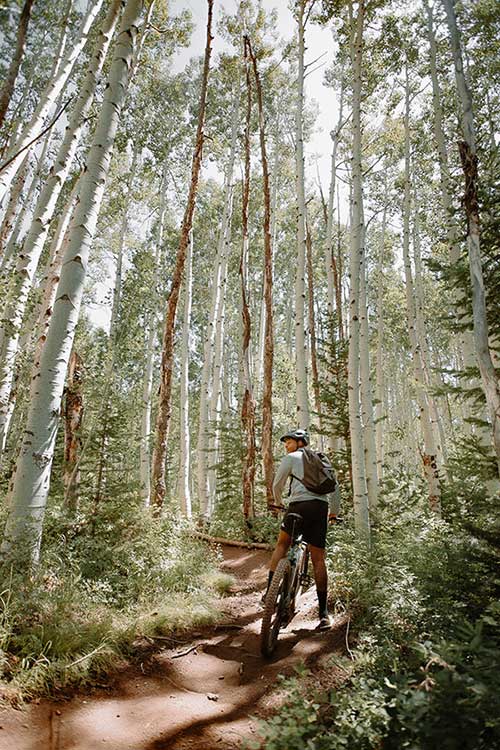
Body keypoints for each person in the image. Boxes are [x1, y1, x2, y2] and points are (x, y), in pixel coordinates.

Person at [262, 428, 340, 631]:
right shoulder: (322, 460)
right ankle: (324, 615)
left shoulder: (291, 458)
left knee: (282, 544)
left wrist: (278, 503)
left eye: (288, 442)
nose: (286, 446)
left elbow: (277, 484)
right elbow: (334, 487)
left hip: (298, 507)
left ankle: (269, 593)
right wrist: (333, 513)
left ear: (299, 442)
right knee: (319, 559)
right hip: (319, 509)